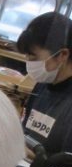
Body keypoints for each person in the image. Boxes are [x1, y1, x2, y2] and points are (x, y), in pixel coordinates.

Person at [16, 11, 72, 157]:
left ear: (62, 55)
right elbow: (26, 132)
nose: (28, 63)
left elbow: (66, 164)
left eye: (33, 57)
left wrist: (37, 159)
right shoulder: (42, 86)